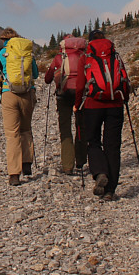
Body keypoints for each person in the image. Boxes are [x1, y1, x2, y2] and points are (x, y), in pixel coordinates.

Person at [75, 29, 128, 201]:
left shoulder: (86, 57)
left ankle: (100, 172)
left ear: (89, 42)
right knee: (113, 146)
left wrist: (77, 106)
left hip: (93, 105)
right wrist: (124, 99)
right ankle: (110, 190)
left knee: (93, 141)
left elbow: (79, 85)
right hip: (115, 104)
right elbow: (124, 80)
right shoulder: (115, 56)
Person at [0, 27, 39, 186]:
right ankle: (27, 163)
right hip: (28, 94)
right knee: (26, 129)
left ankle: (14, 174)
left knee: (12, 134)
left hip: (9, 94)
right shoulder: (27, 52)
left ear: (4, 40)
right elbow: (36, 75)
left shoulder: (2, 54)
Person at [44, 35, 88, 175]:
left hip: (63, 95)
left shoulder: (60, 57)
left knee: (65, 128)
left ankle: (68, 166)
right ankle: (81, 161)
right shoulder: (85, 55)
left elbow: (47, 78)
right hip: (81, 95)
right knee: (81, 126)